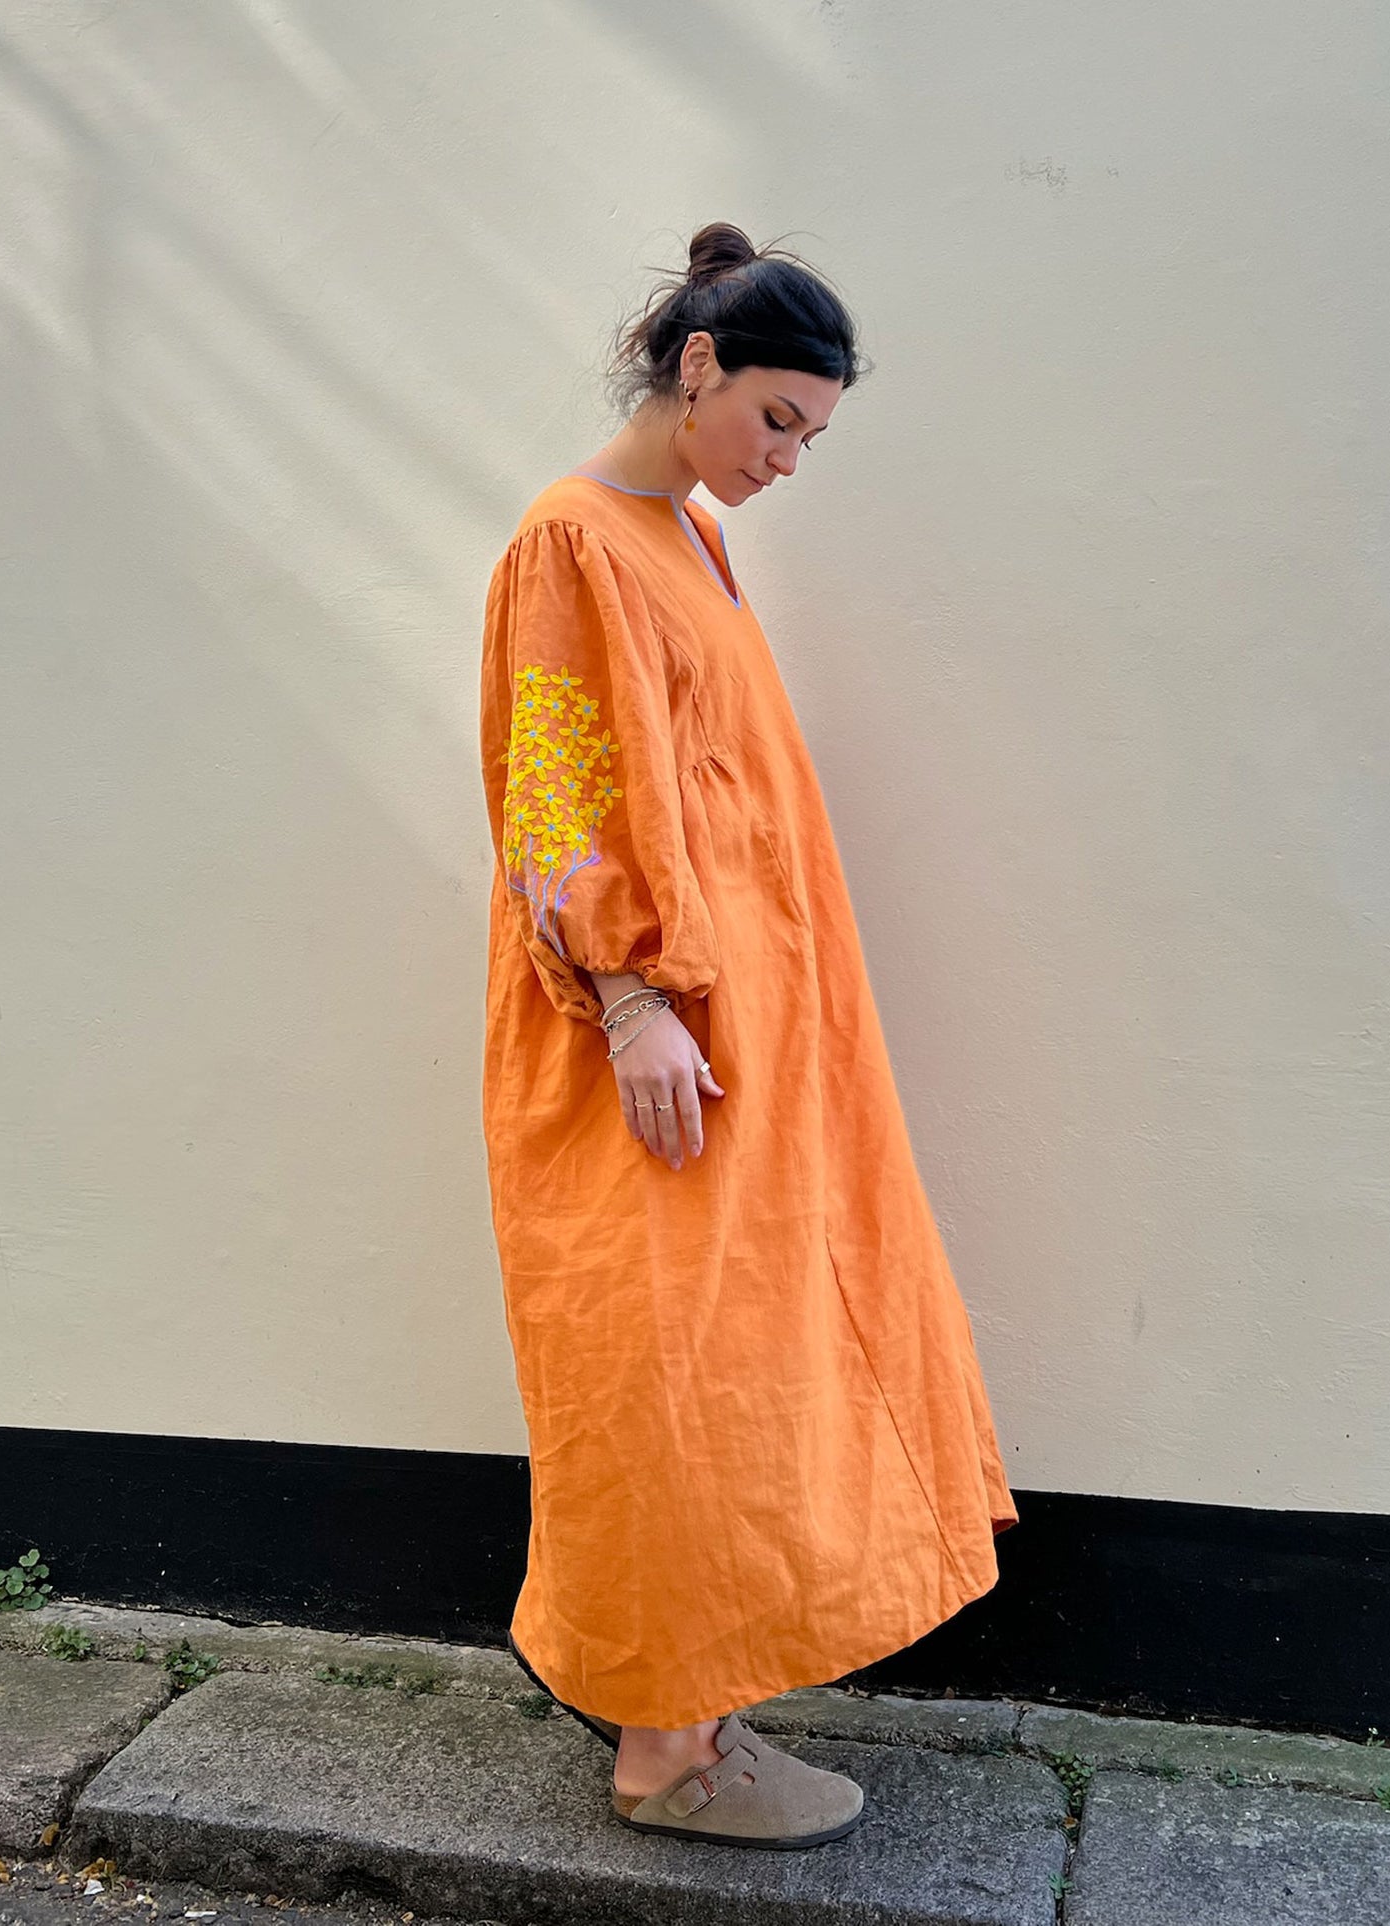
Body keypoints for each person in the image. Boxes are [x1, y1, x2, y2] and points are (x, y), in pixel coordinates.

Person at [478, 221, 1019, 1849]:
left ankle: (701, 1707)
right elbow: (551, 795)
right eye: (776, 418)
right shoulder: (573, 540)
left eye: (811, 436)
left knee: (737, 1363)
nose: (786, 459)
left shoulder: (687, 537)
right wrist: (629, 995)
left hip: (755, 1027)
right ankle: (662, 1753)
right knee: (663, 1367)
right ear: (696, 364)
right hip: (650, 1038)